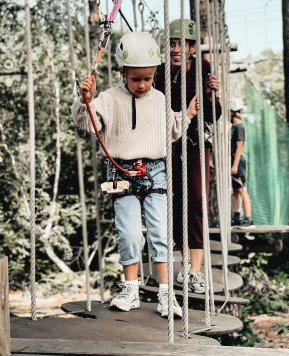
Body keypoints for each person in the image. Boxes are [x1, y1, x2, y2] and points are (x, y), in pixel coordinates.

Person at [72, 32, 199, 317]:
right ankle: (131, 289)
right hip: (120, 171)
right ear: (122, 72)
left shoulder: (158, 99)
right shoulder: (109, 98)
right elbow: (88, 123)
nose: (142, 85)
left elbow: (173, 131)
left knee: (159, 233)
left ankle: (167, 295)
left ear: (155, 73)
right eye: (135, 79)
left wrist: (188, 115)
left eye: (147, 78)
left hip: (155, 171)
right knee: (128, 233)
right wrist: (86, 101)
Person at [154, 19, 222, 294]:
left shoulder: (203, 68)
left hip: (195, 142)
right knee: (173, 202)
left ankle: (195, 270)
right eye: (171, 44)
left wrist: (211, 95)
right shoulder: (157, 74)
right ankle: (181, 262)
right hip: (168, 143)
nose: (175, 49)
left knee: (196, 199)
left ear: (192, 47)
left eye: (181, 44)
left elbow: (214, 115)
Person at [230, 99, 253, 227]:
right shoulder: (233, 127)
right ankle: (237, 217)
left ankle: (249, 219)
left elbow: (239, 147)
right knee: (236, 190)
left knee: (243, 189)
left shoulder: (239, 128)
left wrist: (234, 165)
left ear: (233, 112)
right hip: (233, 162)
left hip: (237, 162)